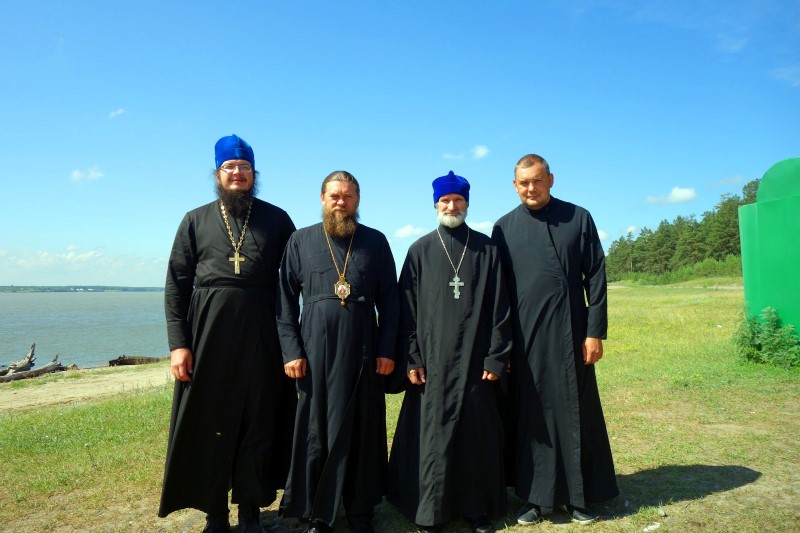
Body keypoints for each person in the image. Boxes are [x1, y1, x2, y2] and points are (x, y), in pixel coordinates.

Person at [158, 134, 297, 533]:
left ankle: (250, 512)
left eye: (244, 167)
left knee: (259, 421)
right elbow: (176, 285)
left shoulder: (277, 220)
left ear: (254, 173)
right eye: (230, 167)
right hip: (208, 337)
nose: (238, 173)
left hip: (263, 335)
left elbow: (294, 281)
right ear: (217, 173)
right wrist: (179, 345)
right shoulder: (195, 219)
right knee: (209, 423)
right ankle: (215, 514)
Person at [492, 154, 619, 526]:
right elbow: (499, 294)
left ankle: (578, 497)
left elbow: (596, 276)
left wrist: (594, 331)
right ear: (514, 186)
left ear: (550, 179)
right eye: (524, 183)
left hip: (572, 336)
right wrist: (503, 347)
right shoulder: (504, 228)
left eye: (537, 180)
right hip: (526, 340)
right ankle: (534, 497)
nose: (531, 188)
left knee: (575, 414)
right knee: (531, 419)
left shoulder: (578, 218)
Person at [387, 171, 512, 533]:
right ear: (435, 205)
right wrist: (412, 356)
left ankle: (476, 509)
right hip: (432, 363)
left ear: (467, 204)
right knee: (432, 438)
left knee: (475, 435)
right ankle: (431, 511)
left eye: (457, 200)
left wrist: (497, 356)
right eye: (445, 200)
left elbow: (501, 308)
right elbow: (405, 310)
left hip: (476, 361)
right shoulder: (420, 250)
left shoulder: (487, 249)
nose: (451, 206)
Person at [276, 170, 400, 533]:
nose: (340, 202)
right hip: (314, 353)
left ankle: (361, 511)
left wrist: (387, 350)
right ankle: (317, 514)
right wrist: (291, 351)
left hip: (364, 350)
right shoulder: (300, 240)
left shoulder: (375, 241)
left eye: (347, 196)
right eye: (334, 196)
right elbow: (284, 300)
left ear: (357, 200)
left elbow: (391, 302)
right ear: (322, 199)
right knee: (316, 432)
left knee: (363, 429)